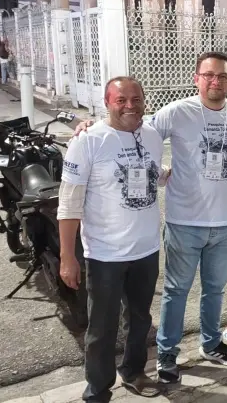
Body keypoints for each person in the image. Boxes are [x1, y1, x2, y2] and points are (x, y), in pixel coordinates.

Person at [74, 52, 227, 383]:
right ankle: (167, 353)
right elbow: (133, 129)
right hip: (185, 222)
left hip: (226, 224)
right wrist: (92, 125)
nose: (215, 81)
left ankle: (211, 344)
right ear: (197, 78)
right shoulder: (177, 111)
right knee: (176, 291)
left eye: (222, 76)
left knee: (215, 290)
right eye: (209, 75)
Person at [58, 77, 166, 402]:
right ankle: (98, 388)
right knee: (102, 327)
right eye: (121, 100)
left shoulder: (152, 135)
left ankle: (134, 371)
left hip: (146, 249)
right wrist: (67, 256)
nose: (130, 106)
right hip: (105, 254)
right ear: (107, 103)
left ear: (144, 101)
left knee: (140, 319)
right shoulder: (88, 140)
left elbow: (151, 171)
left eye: (136, 99)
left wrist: (169, 174)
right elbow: (69, 203)